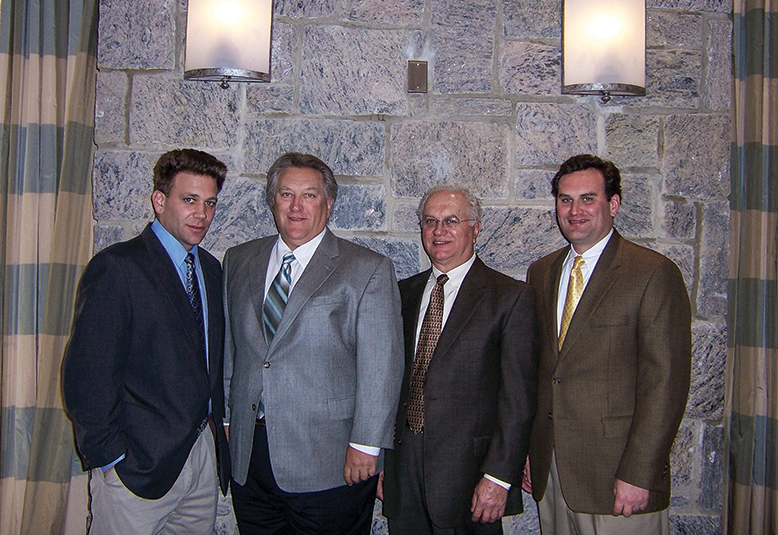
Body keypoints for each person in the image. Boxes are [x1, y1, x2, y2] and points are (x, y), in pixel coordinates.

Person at [223, 152, 404, 535]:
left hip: (330, 461)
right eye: (286, 194)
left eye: (309, 195)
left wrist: (367, 445)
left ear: (329, 204)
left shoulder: (366, 269)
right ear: (273, 201)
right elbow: (232, 350)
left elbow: (381, 366)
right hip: (250, 455)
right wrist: (227, 418)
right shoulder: (239, 260)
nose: (296, 206)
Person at [62, 148, 231, 534]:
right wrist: (110, 458)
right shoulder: (117, 267)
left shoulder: (209, 269)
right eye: (189, 200)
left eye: (209, 203)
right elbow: (86, 376)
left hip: (200, 460)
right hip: (134, 467)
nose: (201, 214)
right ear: (159, 200)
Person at [523, 154, 692, 535]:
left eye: (588, 198)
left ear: (612, 204)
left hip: (619, 479)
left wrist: (639, 472)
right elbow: (541, 370)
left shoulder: (652, 273)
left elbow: (665, 383)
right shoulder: (541, 272)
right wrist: (531, 451)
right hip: (553, 474)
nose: (575, 210)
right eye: (565, 199)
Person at [380, 184, 539, 535]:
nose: (439, 231)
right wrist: (383, 464)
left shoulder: (510, 298)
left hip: (470, 477)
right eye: (430, 221)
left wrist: (499, 477)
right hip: (404, 473)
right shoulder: (402, 294)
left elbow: (518, 400)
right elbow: (389, 383)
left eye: (451, 220)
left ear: (476, 228)